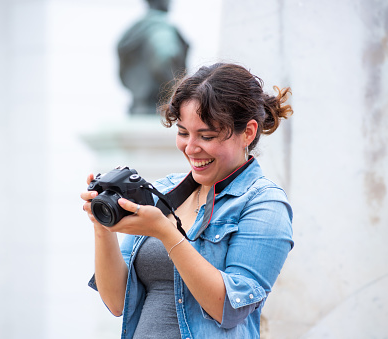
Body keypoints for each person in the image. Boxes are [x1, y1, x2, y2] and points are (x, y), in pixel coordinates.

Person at [81, 62, 294, 338]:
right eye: (183, 133)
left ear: (249, 133)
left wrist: (166, 233)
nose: (191, 148)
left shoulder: (265, 204)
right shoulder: (162, 190)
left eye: (206, 136)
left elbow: (229, 308)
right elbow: (117, 302)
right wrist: (103, 224)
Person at [117, 0, 189, 115]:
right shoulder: (160, 28)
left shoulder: (135, 29)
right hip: (160, 108)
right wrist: (176, 89)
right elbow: (164, 56)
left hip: (139, 107)